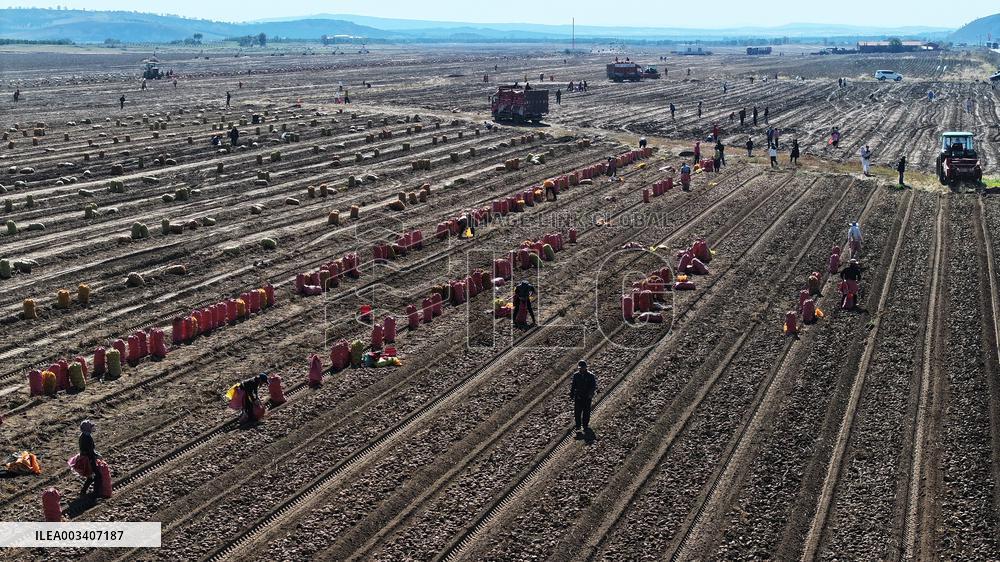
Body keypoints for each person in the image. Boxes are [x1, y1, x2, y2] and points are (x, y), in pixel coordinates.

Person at [570, 361, 598, 433]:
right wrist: (572, 394)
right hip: (578, 396)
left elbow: (593, 386)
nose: (581, 369)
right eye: (580, 368)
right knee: (577, 412)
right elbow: (573, 386)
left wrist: (590, 394)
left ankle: (585, 425)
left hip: (587, 396)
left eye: (583, 367)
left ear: (586, 367)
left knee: (586, 411)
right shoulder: (576, 375)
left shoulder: (590, 376)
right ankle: (578, 426)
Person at [78, 420, 102, 496]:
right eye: (91, 427)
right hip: (89, 459)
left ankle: (83, 492)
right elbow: (90, 451)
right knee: (98, 476)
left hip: (86, 458)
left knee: (90, 476)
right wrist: (97, 456)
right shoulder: (87, 438)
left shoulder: (83, 436)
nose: (93, 428)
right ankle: (96, 493)